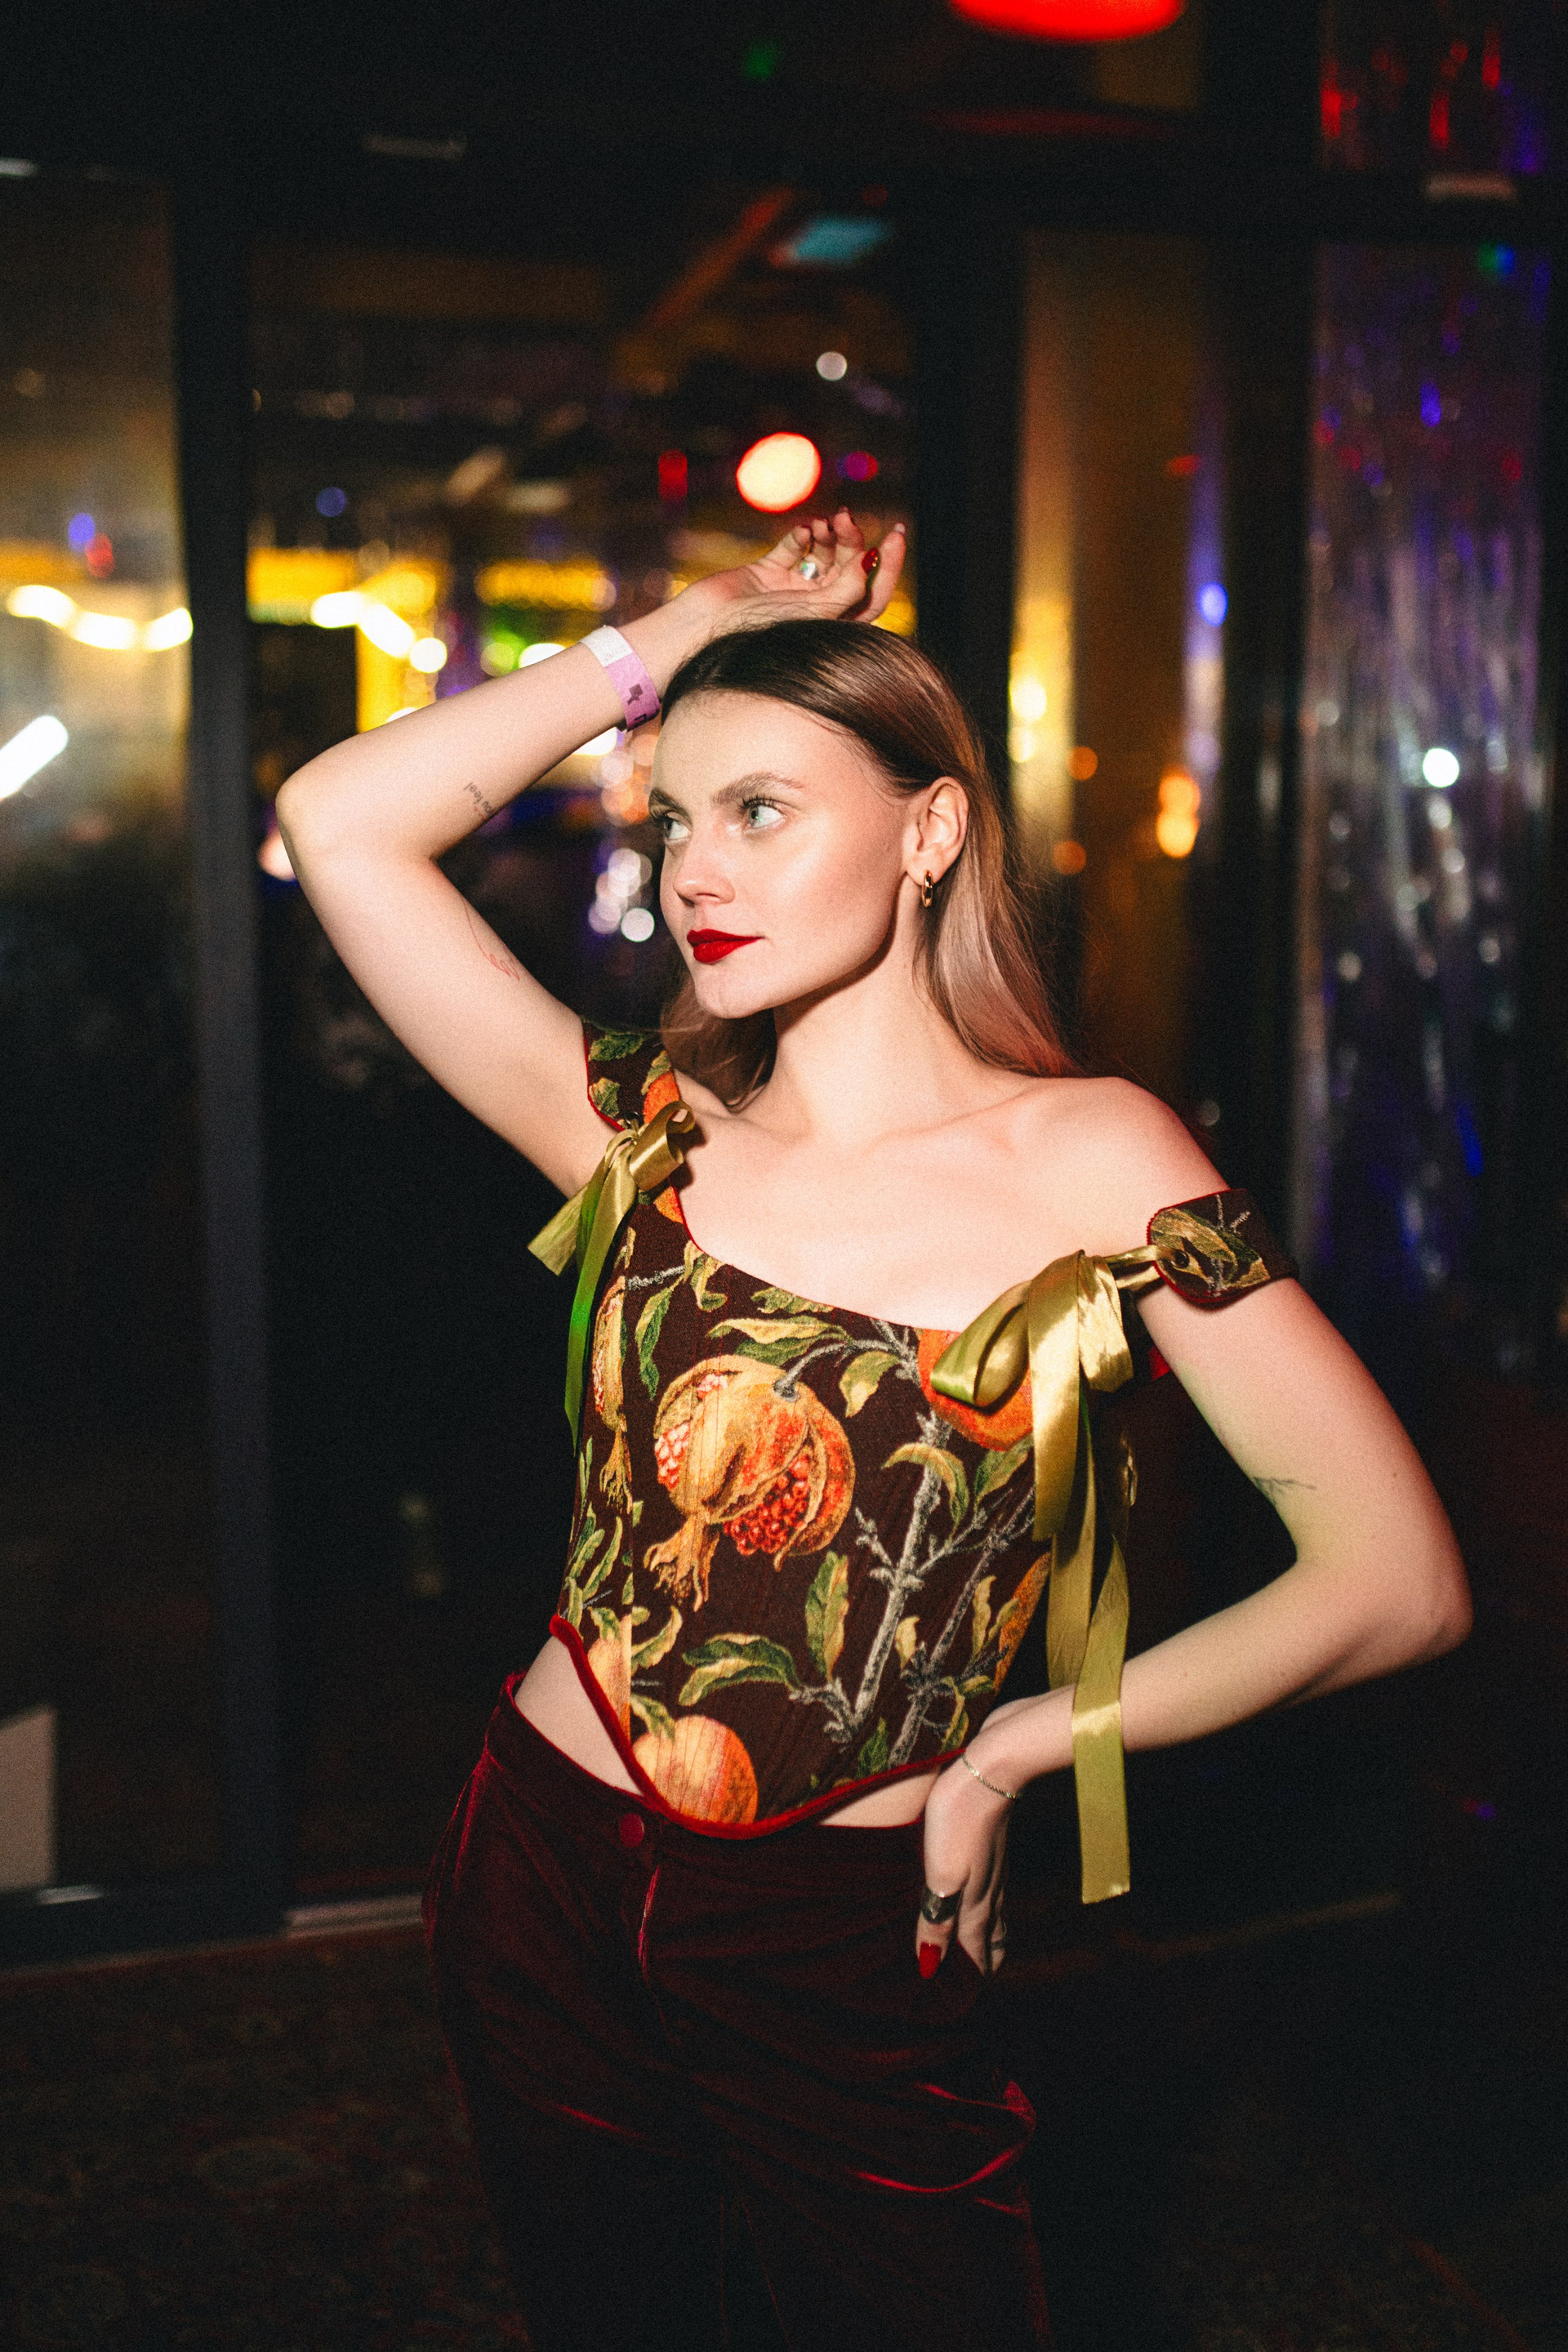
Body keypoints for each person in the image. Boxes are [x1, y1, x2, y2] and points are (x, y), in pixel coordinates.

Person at [277, 510, 1472, 2351]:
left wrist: (1019, 1752)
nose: (697, 869)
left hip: (843, 1928)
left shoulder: (1095, 1160)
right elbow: (339, 820)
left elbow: (1394, 1579)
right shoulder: (638, 1133)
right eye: (675, 821)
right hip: (540, 1869)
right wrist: (698, 623)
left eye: (763, 812)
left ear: (930, 833)